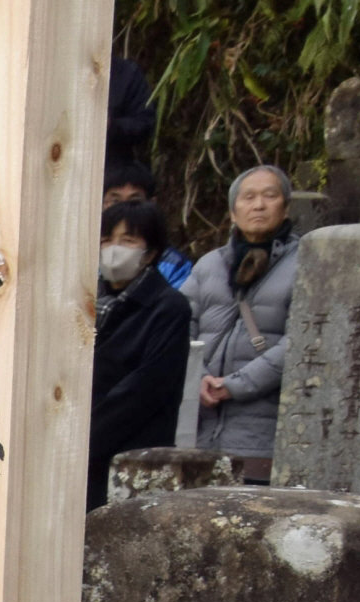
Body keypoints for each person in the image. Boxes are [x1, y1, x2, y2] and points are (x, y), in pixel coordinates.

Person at [186, 164, 301, 482]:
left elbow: (301, 342)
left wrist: (234, 385)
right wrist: (199, 377)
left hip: (262, 437)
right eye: (248, 197)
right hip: (200, 433)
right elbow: (178, 326)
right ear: (233, 212)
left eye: (270, 195)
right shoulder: (209, 265)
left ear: (286, 207)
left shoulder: (306, 263)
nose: (259, 205)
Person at [89, 199, 193, 509]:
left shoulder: (169, 307)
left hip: (133, 454)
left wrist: (84, 438)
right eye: (106, 240)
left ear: (150, 252)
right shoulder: (85, 299)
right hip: (80, 453)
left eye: (128, 240)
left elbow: (146, 387)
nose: (114, 249)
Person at [103, 163, 193, 287]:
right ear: (101, 204)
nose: (124, 209)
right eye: (115, 201)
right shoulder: (82, 255)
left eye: (134, 201)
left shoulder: (175, 265)